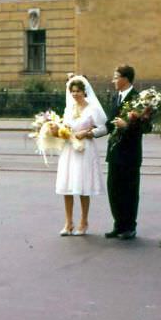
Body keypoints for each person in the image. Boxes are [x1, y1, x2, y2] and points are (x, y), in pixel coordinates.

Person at [93, 65, 151, 241]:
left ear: (125, 78)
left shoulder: (139, 99)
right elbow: (110, 124)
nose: (113, 80)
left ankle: (129, 227)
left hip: (130, 153)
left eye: (116, 77)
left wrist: (127, 126)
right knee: (114, 189)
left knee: (129, 191)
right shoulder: (116, 97)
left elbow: (147, 126)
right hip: (115, 153)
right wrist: (91, 133)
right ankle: (118, 225)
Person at [51, 76, 107, 236]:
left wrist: (88, 133)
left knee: (83, 186)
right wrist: (57, 131)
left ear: (84, 92)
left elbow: (103, 129)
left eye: (78, 91)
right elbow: (65, 128)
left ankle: (84, 221)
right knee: (67, 185)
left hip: (85, 149)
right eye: (73, 91)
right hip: (69, 148)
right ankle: (68, 222)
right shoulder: (69, 109)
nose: (75, 94)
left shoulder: (92, 109)